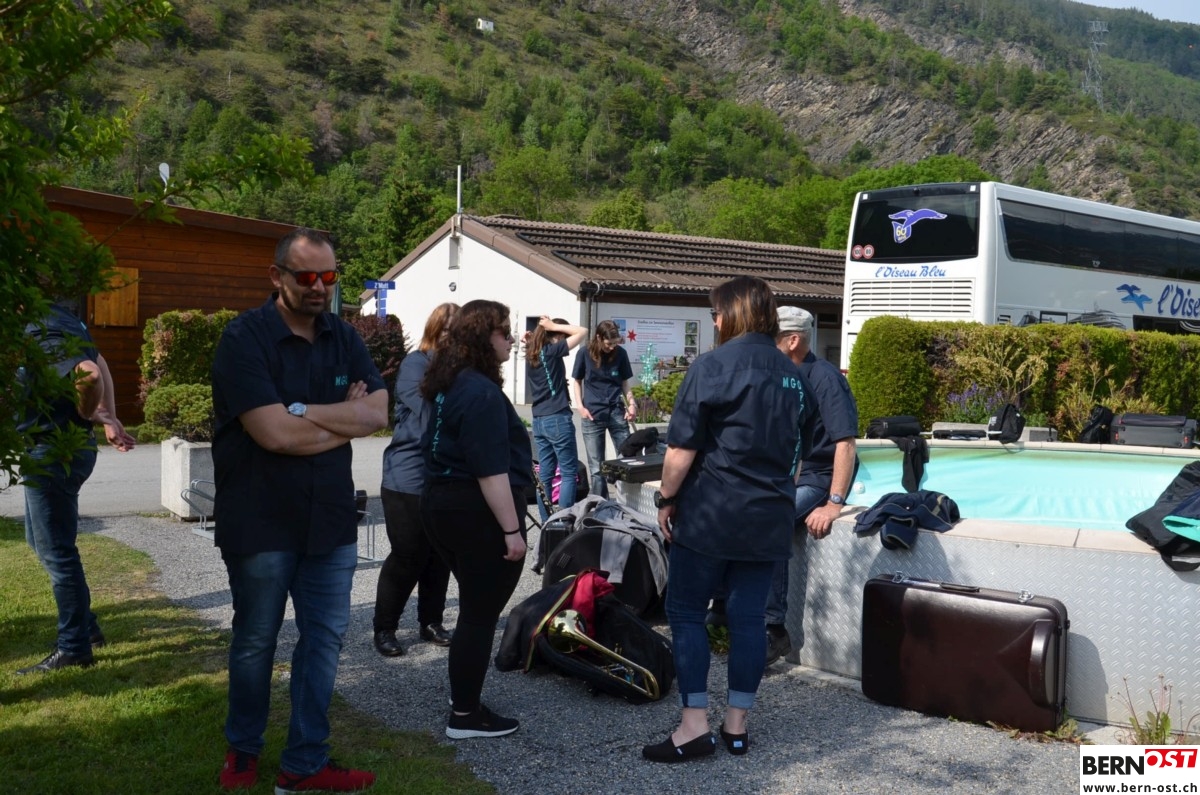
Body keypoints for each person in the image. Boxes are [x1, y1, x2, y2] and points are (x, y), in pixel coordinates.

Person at [210, 228, 387, 793]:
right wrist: (341, 419)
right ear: (277, 276)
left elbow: (377, 413)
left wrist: (301, 411)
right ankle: (243, 751)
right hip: (259, 519)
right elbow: (274, 436)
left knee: (325, 640)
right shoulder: (244, 339)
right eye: (306, 276)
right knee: (256, 640)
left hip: (329, 519)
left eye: (328, 276)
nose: (319, 287)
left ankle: (305, 763)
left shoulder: (345, 337)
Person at [644, 276, 809, 763]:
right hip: (769, 515)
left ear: (733, 314)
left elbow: (681, 449)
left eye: (716, 313)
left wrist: (665, 498)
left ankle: (693, 725)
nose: (714, 322)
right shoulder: (794, 375)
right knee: (749, 620)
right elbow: (796, 457)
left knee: (686, 612)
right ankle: (737, 726)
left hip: (712, 513)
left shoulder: (711, 366)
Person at [420, 299, 530, 740]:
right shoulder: (480, 392)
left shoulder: (454, 382)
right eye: (505, 331)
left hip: (443, 504)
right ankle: (465, 715)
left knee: (474, 610)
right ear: (484, 337)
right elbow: (490, 471)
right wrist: (512, 530)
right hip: (473, 511)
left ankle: (463, 699)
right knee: (479, 615)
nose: (512, 339)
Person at [16, 302, 136, 675]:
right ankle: (88, 628)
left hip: (53, 449)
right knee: (40, 541)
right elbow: (99, 361)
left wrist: (88, 411)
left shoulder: (38, 326)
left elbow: (89, 373)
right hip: (67, 449)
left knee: (58, 552)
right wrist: (109, 417)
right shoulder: (63, 317)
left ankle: (74, 647)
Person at [764, 306, 859, 664]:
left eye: (772, 338)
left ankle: (774, 629)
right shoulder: (778, 373)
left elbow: (845, 443)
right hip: (783, 474)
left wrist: (834, 503)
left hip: (816, 476)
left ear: (793, 340)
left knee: (773, 521)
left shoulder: (825, 378)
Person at [372, 303, 458, 657]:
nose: (454, 337)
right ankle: (385, 628)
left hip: (444, 478)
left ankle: (430, 621)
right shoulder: (415, 364)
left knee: (439, 555)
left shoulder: (462, 370)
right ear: (436, 329)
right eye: (449, 329)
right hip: (406, 477)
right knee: (408, 555)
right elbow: (430, 411)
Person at [525, 315, 587, 521]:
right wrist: (553, 325)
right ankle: (563, 523)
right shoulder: (552, 351)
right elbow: (583, 331)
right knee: (569, 473)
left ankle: (547, 523)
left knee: (545, 475)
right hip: (557, 417)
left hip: (539, 419)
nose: (565, 340)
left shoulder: (532, 354)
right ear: (556, 336)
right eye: (562, 336)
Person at [571, 320, 637, 498]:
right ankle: (600, 504)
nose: (612, 347)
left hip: (616, 411)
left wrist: (632, 404)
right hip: (592, 413)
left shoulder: (621, 353)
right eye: (609, 343)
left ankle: (626, 502)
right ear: (599, 338)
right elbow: (577, 381)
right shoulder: (584, 353)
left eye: (615, 343)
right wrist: (580, 407)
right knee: (596, 467)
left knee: (627, 460)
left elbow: (625, 383)